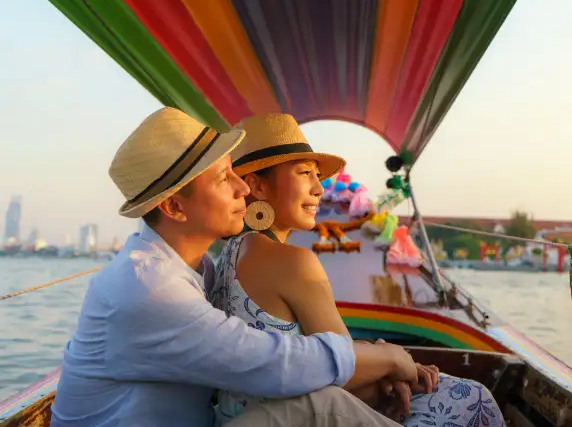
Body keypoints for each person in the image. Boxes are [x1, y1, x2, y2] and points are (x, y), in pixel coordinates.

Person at [50, 107, 419, 427]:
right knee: (321, 406)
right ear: (175, 208)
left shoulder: (199, 269)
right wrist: (389, 357)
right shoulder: (152, 288)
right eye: (224, 178)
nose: (243, 187)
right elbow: (274, 364)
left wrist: (379, 362)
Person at [211, 113, 506, 427]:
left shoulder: (230, 255)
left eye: (317, 175)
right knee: (472, 396)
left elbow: (330, 360)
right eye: (304, 173)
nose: (318, 188)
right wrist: (392, 368)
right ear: (257, 184)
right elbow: (344, 368)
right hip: (294, 417)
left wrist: (383, 364)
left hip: (242, 416)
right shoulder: (292, 261)